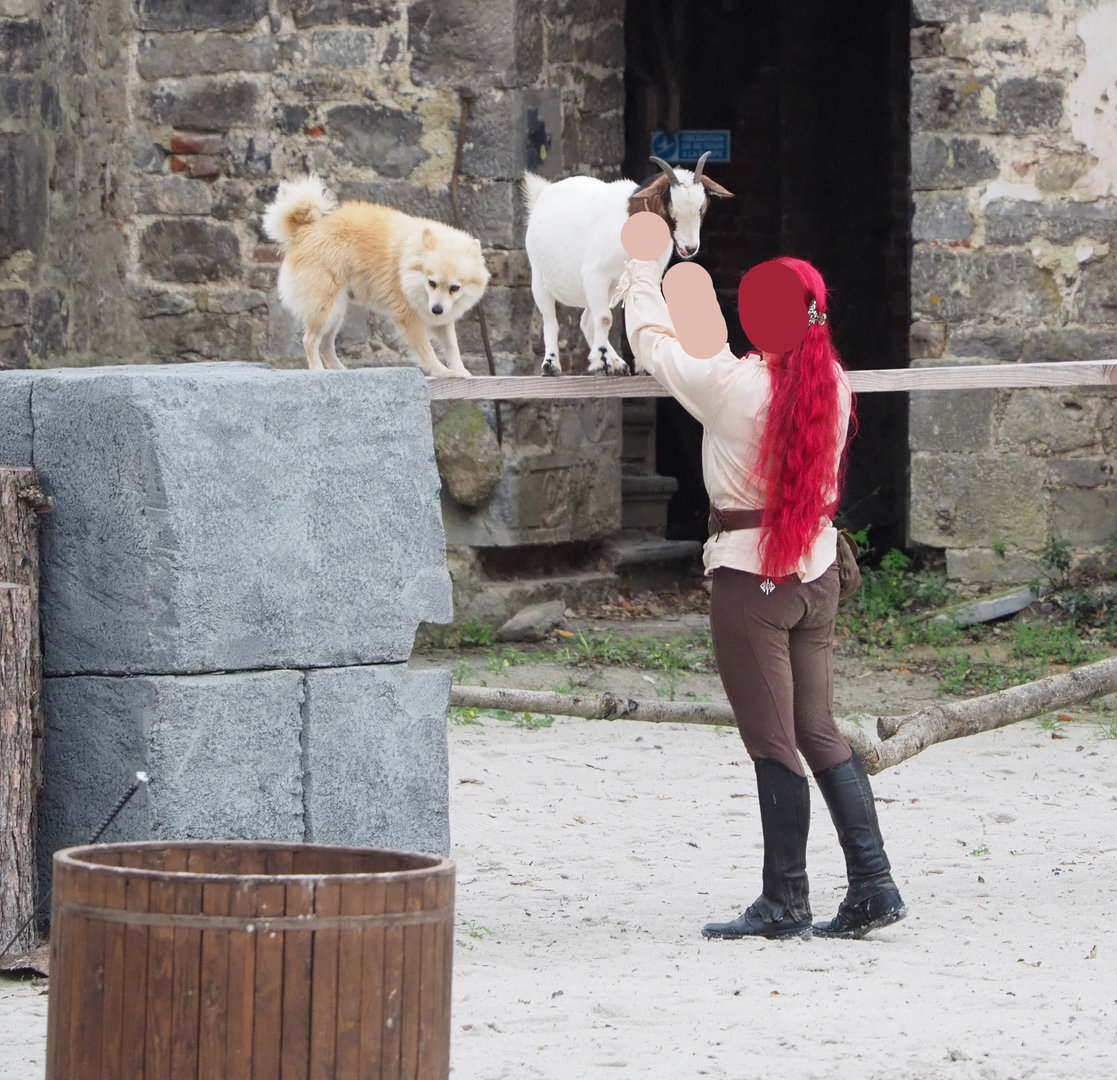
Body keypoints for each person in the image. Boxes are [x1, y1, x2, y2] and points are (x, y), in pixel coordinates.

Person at [615, 247, 907, 941]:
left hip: (753, 578)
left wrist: (641, 272)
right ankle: (872, 883)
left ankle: (784, 901)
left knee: (773, 739)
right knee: (818, 730)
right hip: (817, 573)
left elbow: (650, 342)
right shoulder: (831, 381)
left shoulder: (729, 386)